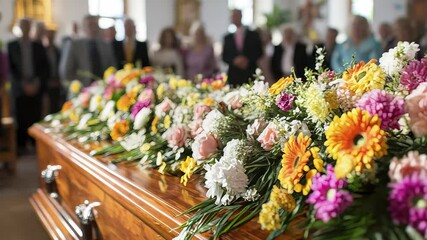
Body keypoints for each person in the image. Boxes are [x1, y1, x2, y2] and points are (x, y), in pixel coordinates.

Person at [8, 18, 49, 152]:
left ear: (30, 27)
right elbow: (11, 69)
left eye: (27, 26)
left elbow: (44, 68)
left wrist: (36, 83)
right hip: (20, 88)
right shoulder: (12, 45)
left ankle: (35, 144)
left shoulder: (38, 46)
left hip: (36, 86)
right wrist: (22, 84)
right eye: (22, 26)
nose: (25, 28)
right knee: (21, 117)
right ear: (18, 27)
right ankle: (21, 146)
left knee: (35, 116)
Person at [59, 15, 116, 89]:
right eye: (90, 25)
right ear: (83, 28)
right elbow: (66, 72)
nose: (93, 29)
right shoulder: (74, 45)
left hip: (104, 90)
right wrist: (76, 88)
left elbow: (112, 67)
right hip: (82, 91)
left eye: (95, 25)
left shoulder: (105, 45)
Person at [222, 9, 263, 85]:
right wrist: (235, 61)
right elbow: (225, 56)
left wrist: (247, 60)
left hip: (250, 72)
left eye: (236, 15)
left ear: (241, 16)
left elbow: (259, 51)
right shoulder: (227, 38)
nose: (234, 18)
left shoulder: (253, 35)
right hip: (234, 75)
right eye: (233, 16)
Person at [44, 29, 62, 113]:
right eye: (49, 35)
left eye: (52, 36)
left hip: (57, 83)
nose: (50, 38)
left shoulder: (58, 50)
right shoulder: (42, 50)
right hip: (46, 84)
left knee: (56, 107)